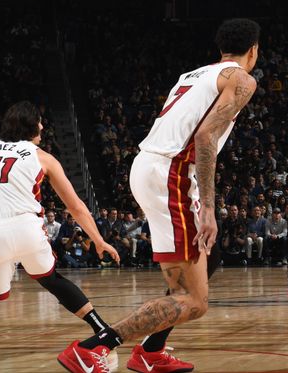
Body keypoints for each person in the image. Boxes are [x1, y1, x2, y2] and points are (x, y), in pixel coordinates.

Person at [58, 19, 259, 373]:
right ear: (254, 50)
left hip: (149, 165)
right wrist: (209, 208)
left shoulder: (192, 75)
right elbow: (205, 139)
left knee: (208, 259)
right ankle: (93, 347)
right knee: (195, 302)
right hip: (173, 173)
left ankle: (151, 352)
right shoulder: (241, 79)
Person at [0, 102, 120, 359]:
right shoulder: (42, 157)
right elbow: (76, 206)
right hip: (26, 228)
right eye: (40, 121)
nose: (43, 126)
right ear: (31, 126)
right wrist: (99, 240)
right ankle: (101, 328)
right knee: (52, 280)